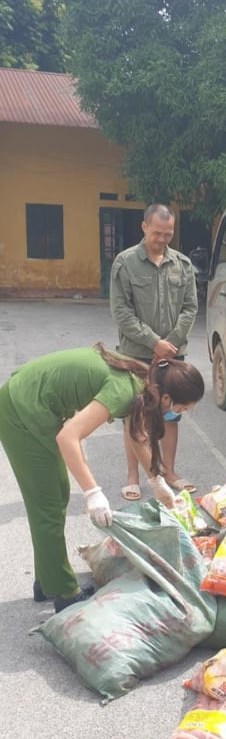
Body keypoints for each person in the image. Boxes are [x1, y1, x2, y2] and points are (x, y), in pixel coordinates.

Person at [0, 344, 205, 613]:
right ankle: (63, 592)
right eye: (183, 408)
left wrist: (157, 483)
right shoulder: (124, 390)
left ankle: (48, 579)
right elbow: (68, 437)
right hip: (20, 409)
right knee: (47, 503)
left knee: (56, 494)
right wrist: (92, 492)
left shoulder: (144, 383)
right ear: (166, 398)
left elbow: (137, 436)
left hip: (36, 404)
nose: (181, 414)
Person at [110, 203, 198, 499]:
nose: (163, 238)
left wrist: (170, 343)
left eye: (168, 233)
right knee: (134, 415)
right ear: (144, 227)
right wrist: (154, 342)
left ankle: (167, 471)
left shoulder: (183, 265)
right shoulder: (125, 263)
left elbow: (190, 308)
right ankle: (134, 476)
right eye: (157, 232)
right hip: (136, 355)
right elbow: (121, 311)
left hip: (172, 353)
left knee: (171, 413)